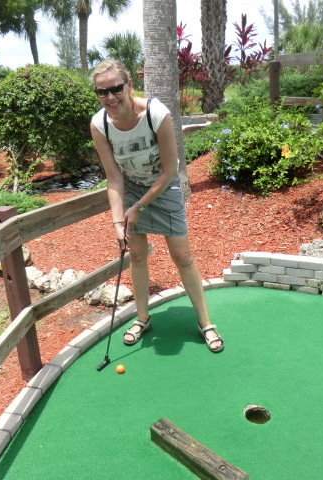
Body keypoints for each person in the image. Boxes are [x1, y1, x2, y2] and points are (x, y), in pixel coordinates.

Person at [89, 59, 224, 353]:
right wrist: (117, 222)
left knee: (183, 256)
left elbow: (170, 170)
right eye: (102, 92)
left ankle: (205, 322)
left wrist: (139, 207)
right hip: (130, 188)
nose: (110, 97)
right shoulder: (99, 125)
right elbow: (114, 178)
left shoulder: (155, 114)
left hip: (163, 186)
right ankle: (143, 319)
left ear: (129, 85)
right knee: (136, 255)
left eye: (116, 88)